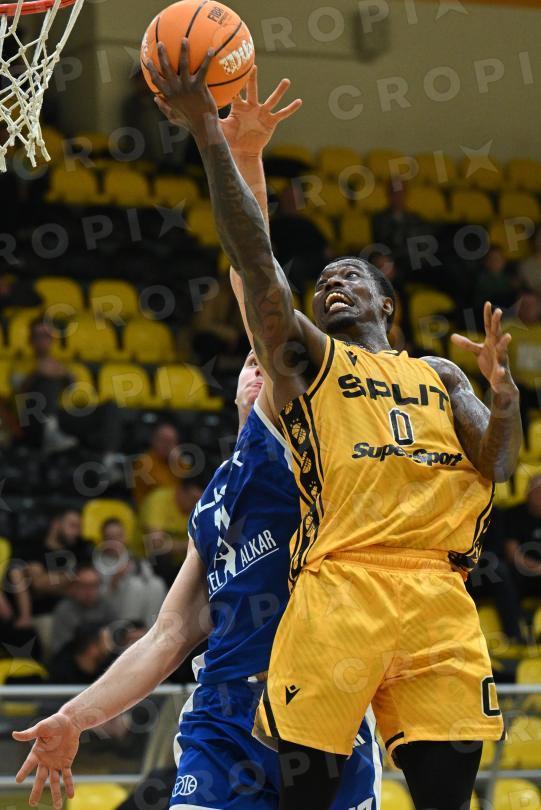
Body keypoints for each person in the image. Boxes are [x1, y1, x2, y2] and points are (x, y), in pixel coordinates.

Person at [149, 44, 522, 810]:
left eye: (349, 276)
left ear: (387, 305)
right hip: (339, 585)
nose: (330, 285)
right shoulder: (310, 364)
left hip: (438, 591)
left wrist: (506, 396)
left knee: (447, 800)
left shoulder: (440, 374)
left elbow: (500, 465)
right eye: (322, 281)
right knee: (307, 800)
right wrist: (212, 138)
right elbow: (256, 264)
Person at [11, 75, 380, 810]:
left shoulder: (304, 434)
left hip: (322, 708)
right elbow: (169, 633)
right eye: (249, 363)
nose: (260, 367)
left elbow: (256, 277)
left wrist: (242, 154)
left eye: (265, 358)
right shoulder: (214, 498)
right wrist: (76, 716)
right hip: (222, 720)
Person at [12, 317, 122, 458]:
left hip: (62, 418)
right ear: (30, 340)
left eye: (47, 336)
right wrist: (37, 373)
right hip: (33, 419)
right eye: (38, 336)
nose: (43, 340)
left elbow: (78, 392)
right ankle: (50, 431)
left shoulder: (62, 363)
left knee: (110, 407)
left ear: (53, 339)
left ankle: (108, 459)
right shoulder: (20, 363)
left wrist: (66, 374)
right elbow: (20, 394)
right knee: (47, 381)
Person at [7, 509, 94, 626]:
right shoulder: (34, 548)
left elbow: (86, 582)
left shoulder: (80, 550)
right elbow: (39, 584)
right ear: (56, 524)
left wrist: (53, 581)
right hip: (45, 614)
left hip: (76, 611)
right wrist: (70, 579)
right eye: (73, 526)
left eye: (79, 528)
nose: (77, 532)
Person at [94, 518, 167, 627]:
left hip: (141, 601)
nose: (115, 541)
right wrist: (115, 578)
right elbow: (99, 596)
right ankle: (128, 629)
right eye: (110, 537)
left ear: (124, 538)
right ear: (103, 540)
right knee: (135, 584)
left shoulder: (133, 558)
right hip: (113, 604)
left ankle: (151, 628)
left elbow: (149, 578)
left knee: (157, 584)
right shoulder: (98, 562)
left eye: (118, 536)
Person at [50, 565, 115, 656]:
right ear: (74, 587)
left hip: (105, 657)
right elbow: (60, 648)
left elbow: (115, 637)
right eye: (83, 586)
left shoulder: (106, 606)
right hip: (73, 658)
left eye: (93, 585)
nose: (88, 591)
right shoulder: (64, 610)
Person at [504, 475, 541, 600]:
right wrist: (538, 568)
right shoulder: (513, 514)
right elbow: (513, 554)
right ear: (528, 494)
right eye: (537, 491)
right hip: (522, 572)